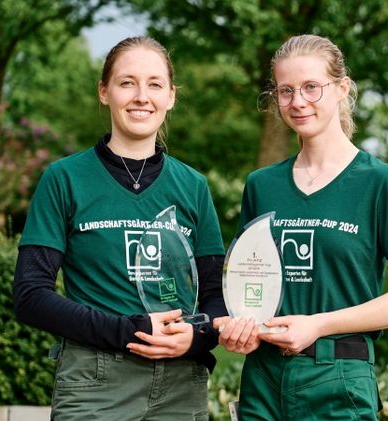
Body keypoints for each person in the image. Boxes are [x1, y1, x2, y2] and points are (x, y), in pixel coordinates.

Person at [215, 34, 388, 420]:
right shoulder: (261, 186)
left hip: (340, 377)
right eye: (286, 90)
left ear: (341, 89)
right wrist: (241, 328)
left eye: (311, 87)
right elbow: (248, 285)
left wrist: (318, 325)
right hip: (263, 379)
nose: (298, 102)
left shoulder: (381, 182)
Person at [13, 36, 230, 420]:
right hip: (96, 382)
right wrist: (127, 330)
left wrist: (196, 336)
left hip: (182, 386)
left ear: (171, 97)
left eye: (154, 84)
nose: (141, 96)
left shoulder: (193, 186)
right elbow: (31, 295)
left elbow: (217, 298)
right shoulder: (65, 179)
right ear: (104, 92)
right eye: (127, 82)